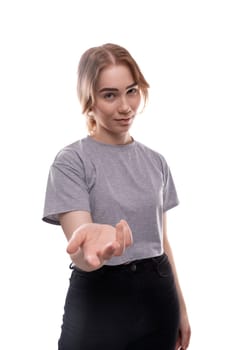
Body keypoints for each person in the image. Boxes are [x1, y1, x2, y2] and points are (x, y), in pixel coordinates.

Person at [42, 43, 191, 350]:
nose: (125, 106)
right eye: (110, 95)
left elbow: (162, 241)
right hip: (100, 301)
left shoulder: (156, 161)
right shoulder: (72, 161)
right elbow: (82, 252)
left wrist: (182, 307)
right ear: (89, 101)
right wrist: (94, 247)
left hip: (158, 299)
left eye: (132, 91)